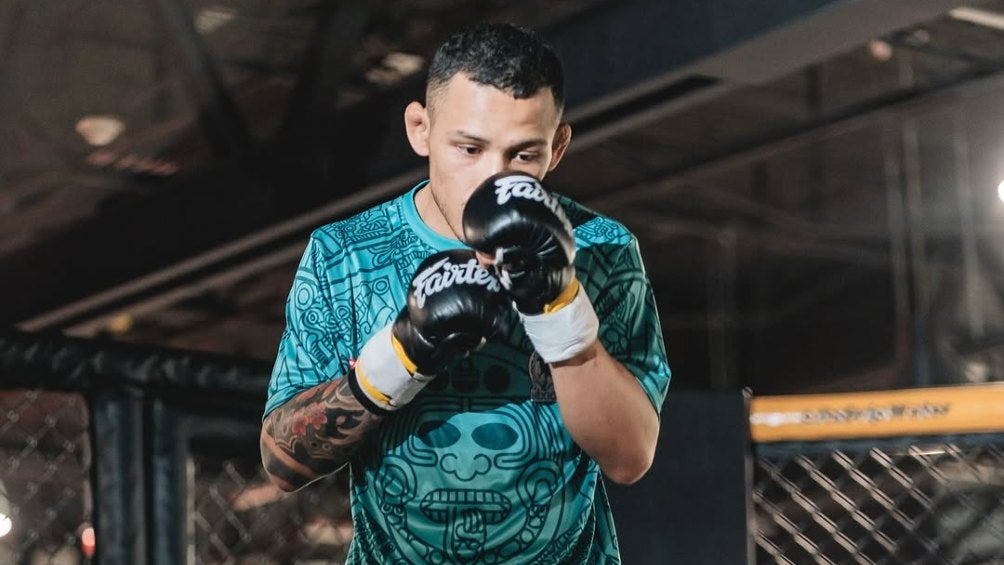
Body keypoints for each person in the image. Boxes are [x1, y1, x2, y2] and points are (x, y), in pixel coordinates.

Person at [260, 23, 671, 564]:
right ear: (420, 129)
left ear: (557, 148)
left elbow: (630, 458)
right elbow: (283, 463)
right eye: (469, 148)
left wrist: (561, 311)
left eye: (523, 155)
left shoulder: (602, 249)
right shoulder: (346, 253)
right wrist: (399, 355)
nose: (491, 180)